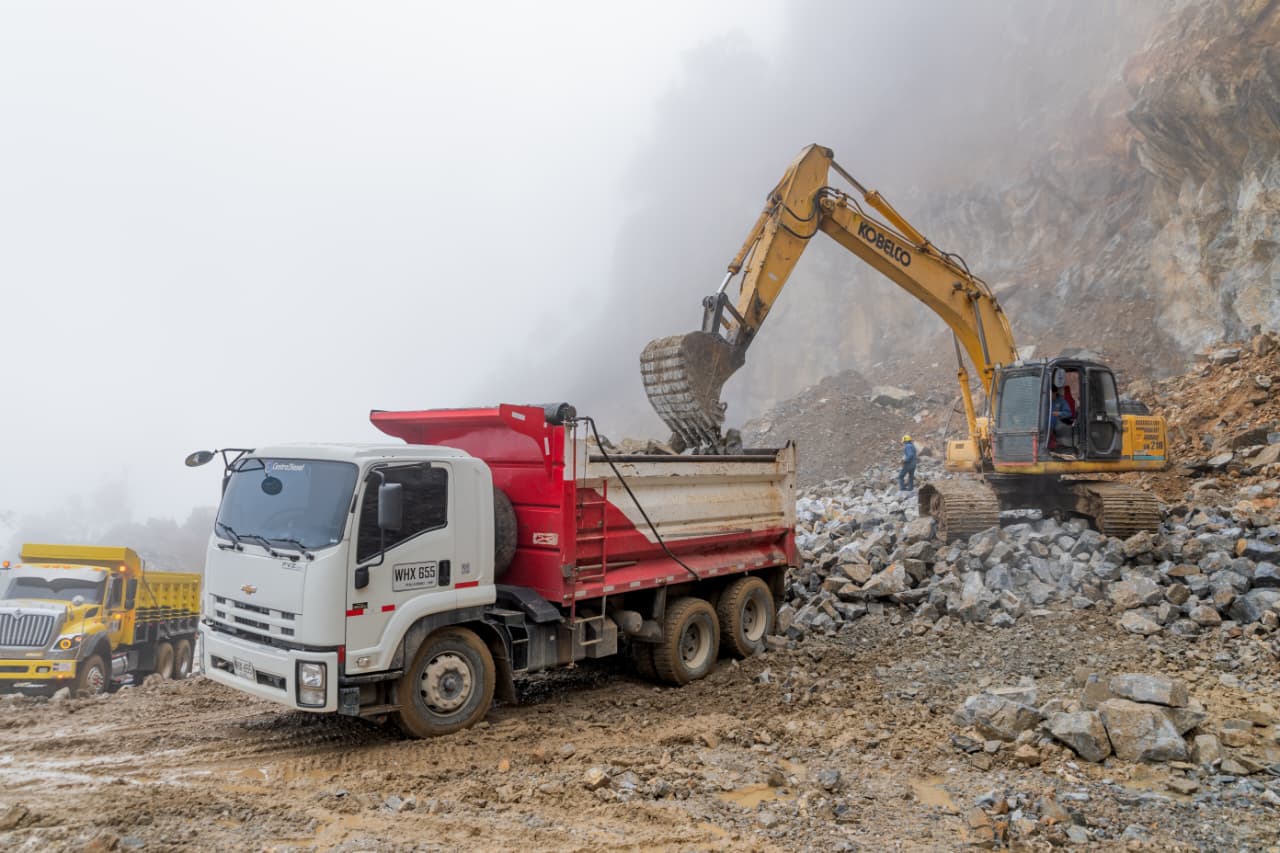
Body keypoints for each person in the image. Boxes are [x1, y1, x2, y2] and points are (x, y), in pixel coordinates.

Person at [1049, 388, 1074, 453]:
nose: (1049, 395)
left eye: (1051, 393)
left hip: (1057, 428)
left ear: (1055, 393)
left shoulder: (1061, 401)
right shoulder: (1044, 400)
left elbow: (1069, 413)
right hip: (1046, 429)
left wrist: (1059, 413)